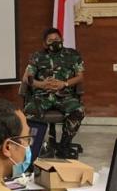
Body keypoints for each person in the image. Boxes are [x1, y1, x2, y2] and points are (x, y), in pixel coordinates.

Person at [23, 28, 85, 158]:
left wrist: (64, 84)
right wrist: (42, 84)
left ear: (62, 40)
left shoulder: (73, 55)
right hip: (42, 95)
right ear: (44, 44)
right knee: (28, 113)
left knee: (78, 111)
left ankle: (63, 146)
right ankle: (36, 146)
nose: (54, 42)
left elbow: (80, 76)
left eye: (57, 39)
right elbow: (27, 78)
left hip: (64, 95)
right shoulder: (37, 56)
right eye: (50, 40)